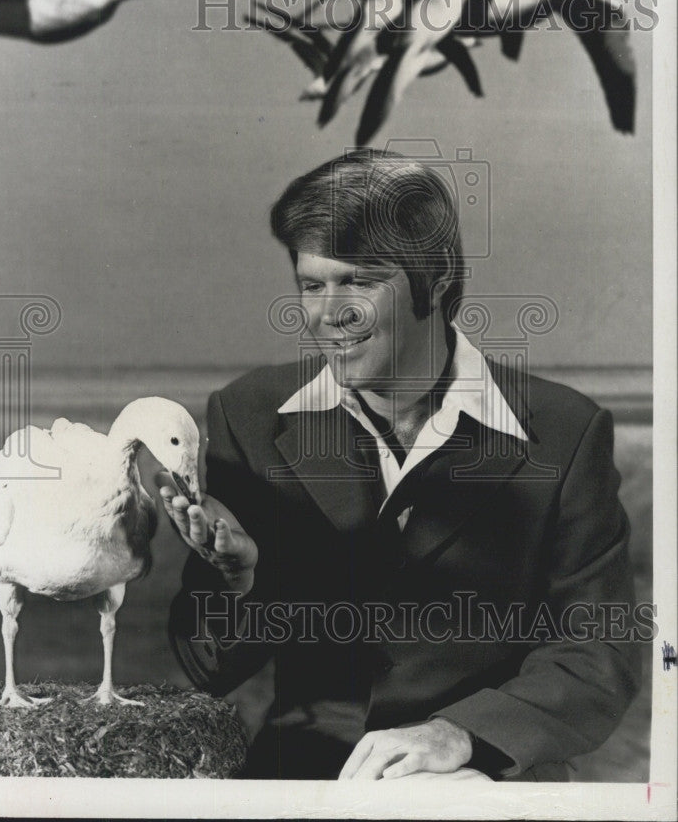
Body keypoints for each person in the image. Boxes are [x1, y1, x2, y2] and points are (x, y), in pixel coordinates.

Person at [162, 149, 640, 781]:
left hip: (487, 779)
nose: (330, 314)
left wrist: (464, 735)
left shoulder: (565, 432)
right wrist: (237, 582)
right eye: (312, 284)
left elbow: (599, 652)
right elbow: (207, 668)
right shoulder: (248, 416)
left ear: (437, 282)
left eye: (359, 280)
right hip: (307, 781)